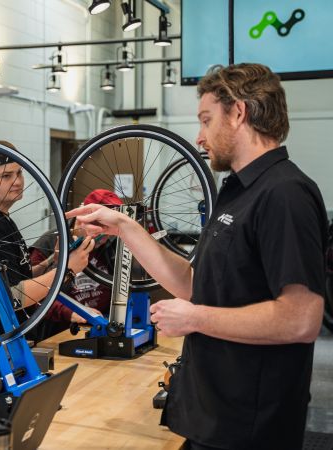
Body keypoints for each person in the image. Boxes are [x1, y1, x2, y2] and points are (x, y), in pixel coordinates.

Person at [66, 63, 327, 450]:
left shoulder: (284, 195)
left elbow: (301, 319)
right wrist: (122, 226)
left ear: (239, 112)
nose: (200, 137)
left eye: (206, 120)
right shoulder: (238, 191)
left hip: (249, 427)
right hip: (214, 416)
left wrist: (196, 318)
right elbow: (192, 283)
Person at [0, 141, 94, 340]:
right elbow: (10, 298)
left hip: (6, 337)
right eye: (6, 176)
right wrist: (67, 270)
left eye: (19, 173)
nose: (17, 181)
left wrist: (52, 262)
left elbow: (15, 276)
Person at [29, 188, 122, 339]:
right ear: (83, 217)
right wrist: (71, 313)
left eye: (111, 227)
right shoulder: (49, 242)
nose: (105, 234)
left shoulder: (110, 244)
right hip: (58, 333)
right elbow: (31, 296)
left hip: (101, 328)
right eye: (101, 226)